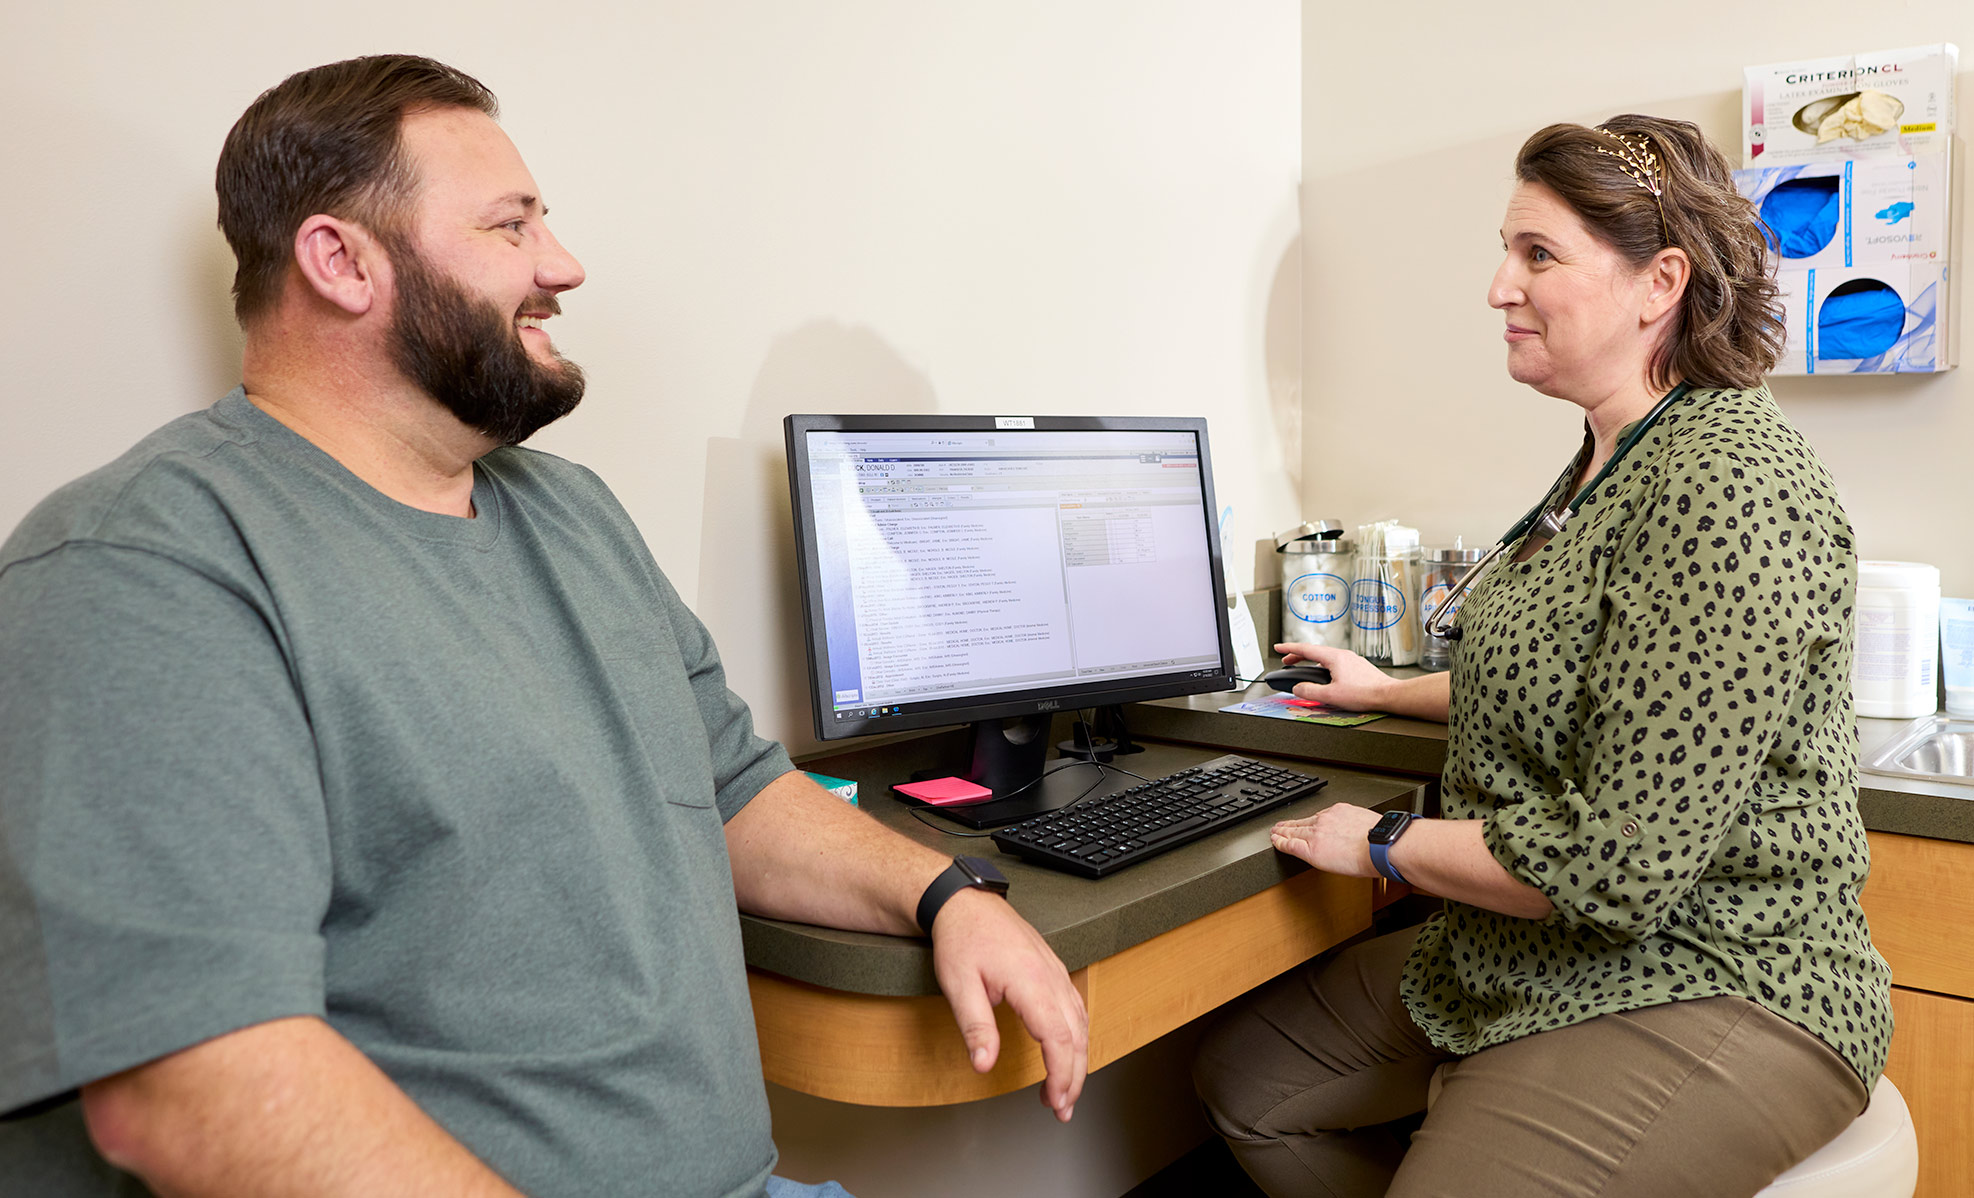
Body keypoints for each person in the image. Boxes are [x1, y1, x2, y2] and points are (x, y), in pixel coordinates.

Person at [0, 55, 1087, 1198]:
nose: (561, 266)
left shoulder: (571, 512)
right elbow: (191, 1089)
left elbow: (732, 788)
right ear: (339, 262)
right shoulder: (147, 566)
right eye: (510, 226)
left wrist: (945, 892)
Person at [1192, 114, 1892, 1197]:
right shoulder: (1611, 456)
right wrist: (1387, 691)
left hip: (1719, 975)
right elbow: (1587, 673)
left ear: (1659, 282)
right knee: (1249, 1078)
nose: (1498, 287)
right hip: (1536, 948)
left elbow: (1617, 866)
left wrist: (1383, 841)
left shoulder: (1726, 483)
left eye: (1538, 255)